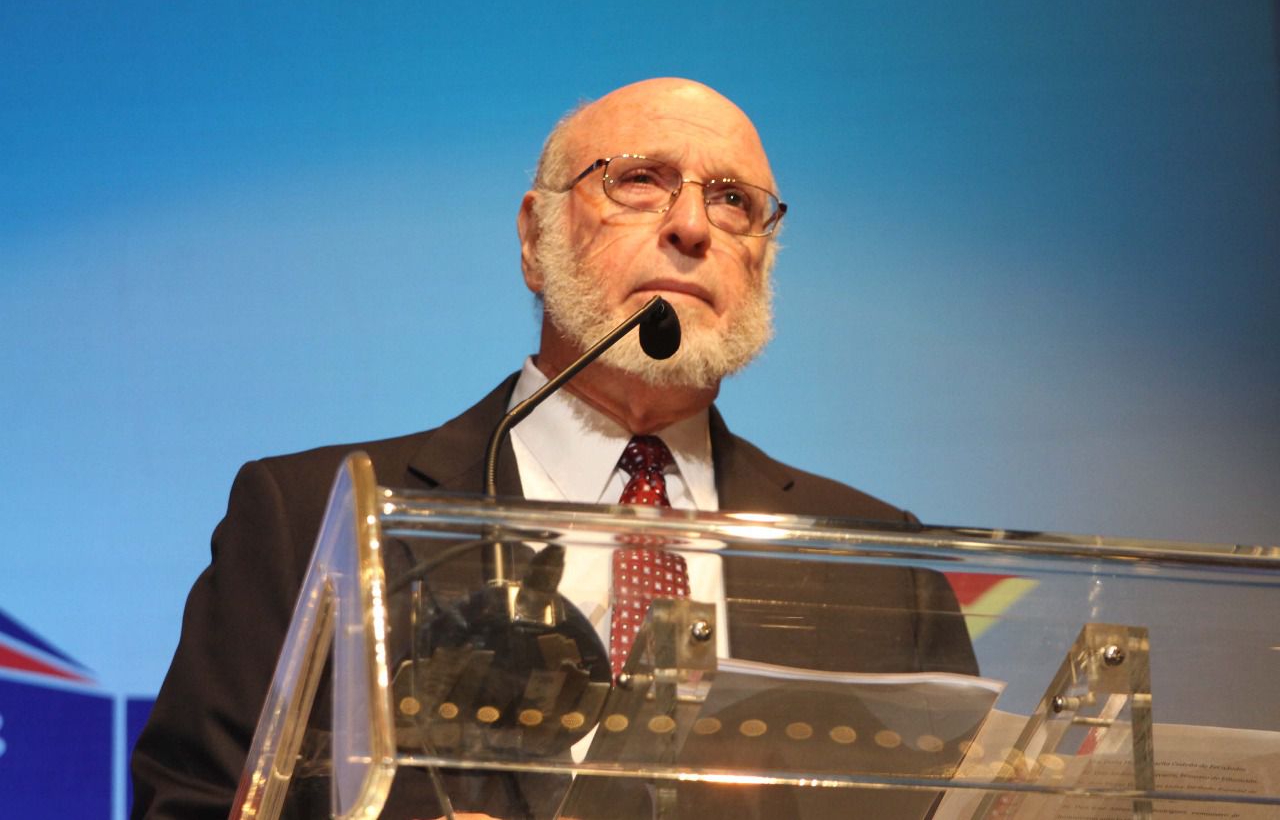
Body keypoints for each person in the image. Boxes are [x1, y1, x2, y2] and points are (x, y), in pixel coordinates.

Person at [130, 78, 977, 819]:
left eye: (732, 201)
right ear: (536, 238)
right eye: (640, 181)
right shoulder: (312, 521)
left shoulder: (883, 569)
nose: (692, 226)